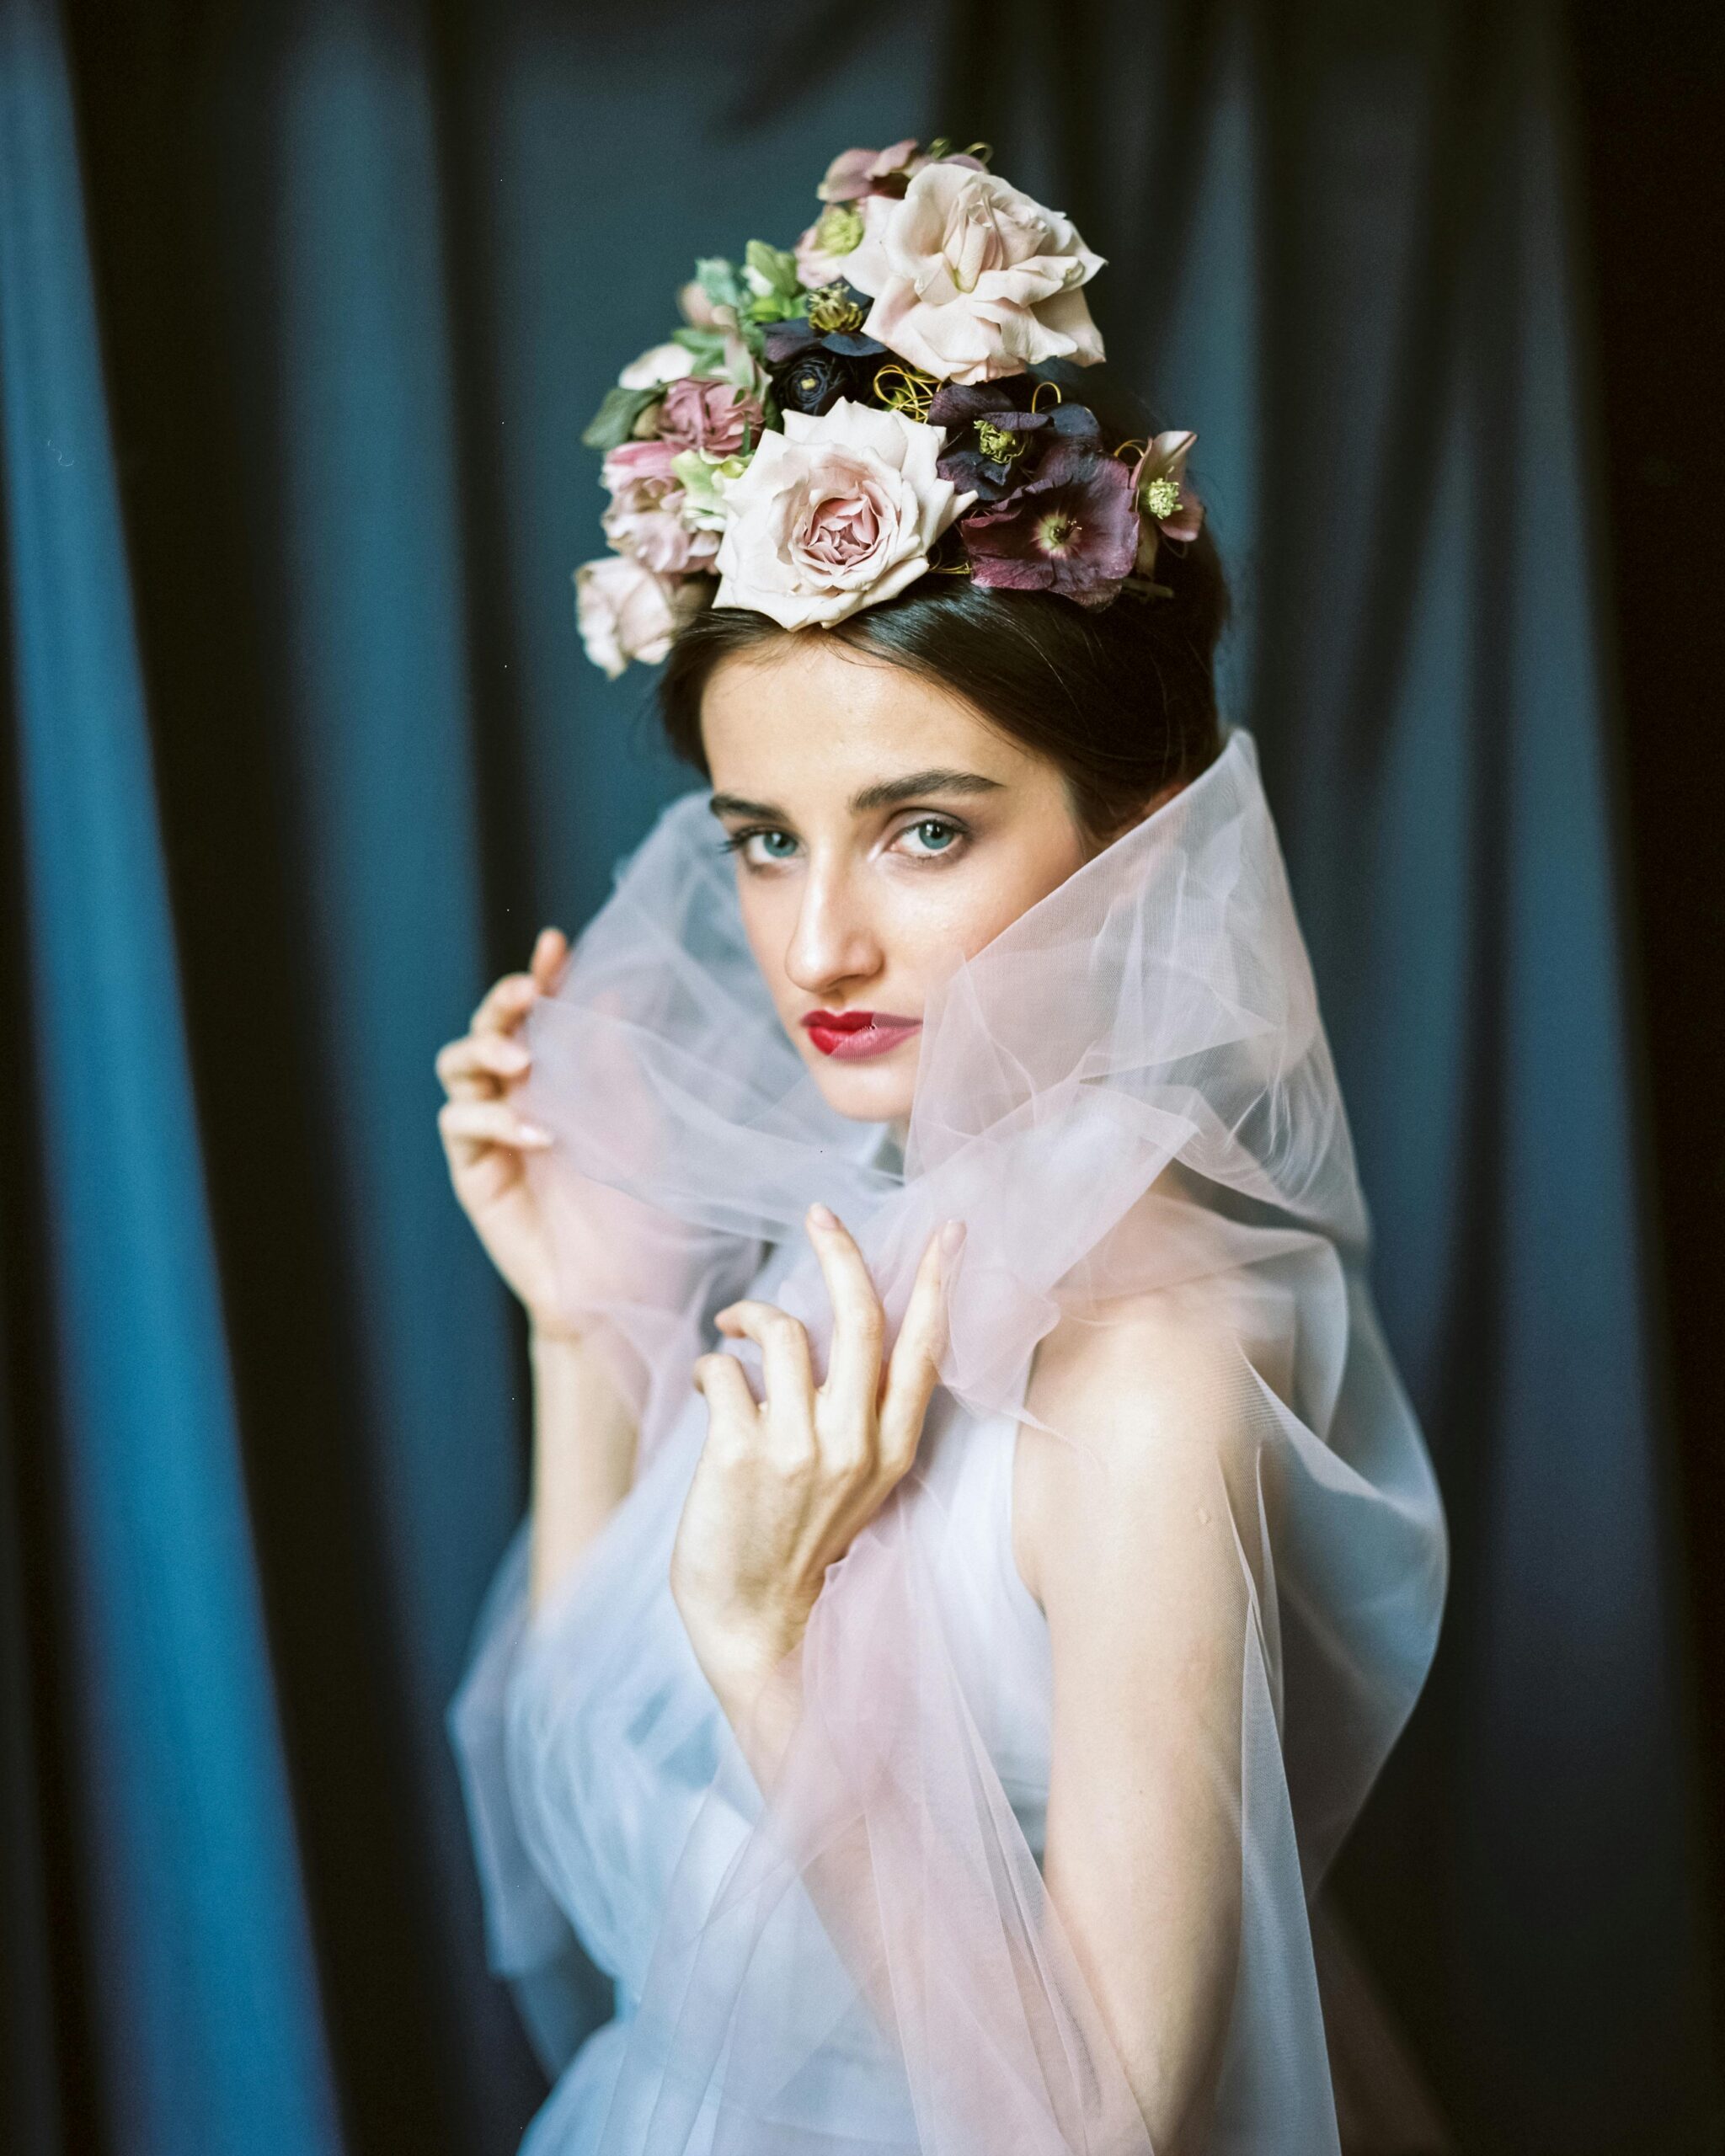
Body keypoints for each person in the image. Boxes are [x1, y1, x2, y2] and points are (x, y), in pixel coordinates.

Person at [435, 138, 1449, 2154]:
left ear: (1134, 825)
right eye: (761, 837)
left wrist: (765, 1640)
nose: (815, 944)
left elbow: (1092, 2129)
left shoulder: (1145, 1379)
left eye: (921, 828)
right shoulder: (835, 1241)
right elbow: (596, 1823)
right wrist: (574, 1327)